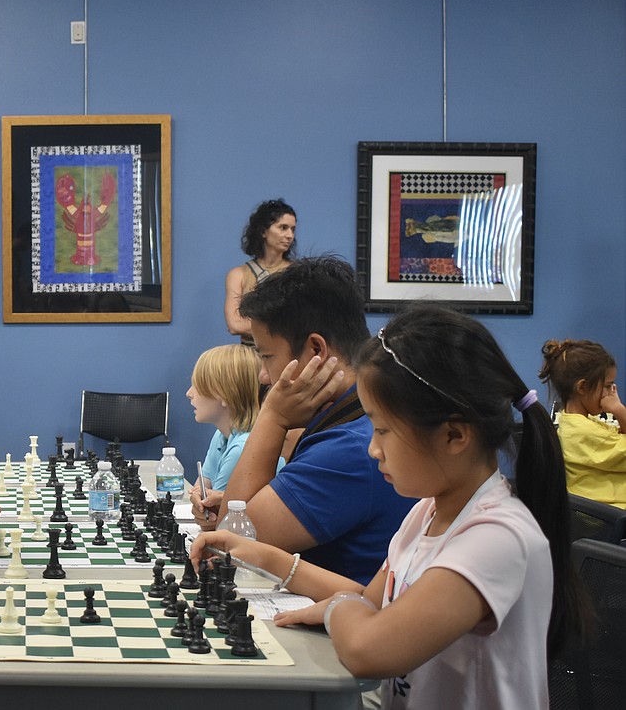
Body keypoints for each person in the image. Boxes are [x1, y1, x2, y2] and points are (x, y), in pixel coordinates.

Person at [192, 304, 583, 710]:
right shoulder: (428, 512)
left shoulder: (496, 537)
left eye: (382, 430)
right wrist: (263, 557)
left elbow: (367, 650)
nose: (372, 448)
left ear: (453, 434)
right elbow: (372, 598)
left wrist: (339, 610)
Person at [195, 257, 416, 585]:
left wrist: (272, 415)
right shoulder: (353, 417)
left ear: (316, 349)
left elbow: (233, 543)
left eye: (267, 356)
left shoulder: (351, 448)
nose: (263, 375)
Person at [539, 338, 626, 508]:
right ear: (582, 387)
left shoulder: (575, 422)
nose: (611, 393)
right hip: (612, 516)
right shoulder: (583, 432)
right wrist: (619, 409)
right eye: (608, 386)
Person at [184, 344, 263, 494]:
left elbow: (213, 513)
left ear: (225, 394)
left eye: (197, 385)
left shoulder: (242, 449)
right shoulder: (222, 435)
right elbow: (199, 495)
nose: (189, 393)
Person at [224, 198, 297, 344]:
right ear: (264, 231)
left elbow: (300, 325)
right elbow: (235, 325)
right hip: (249, 357)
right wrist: (281, 329)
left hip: (286, 359)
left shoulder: (298, 273)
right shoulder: (238, 275)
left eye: (292, 229)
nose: (289, 235)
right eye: (283, 227)